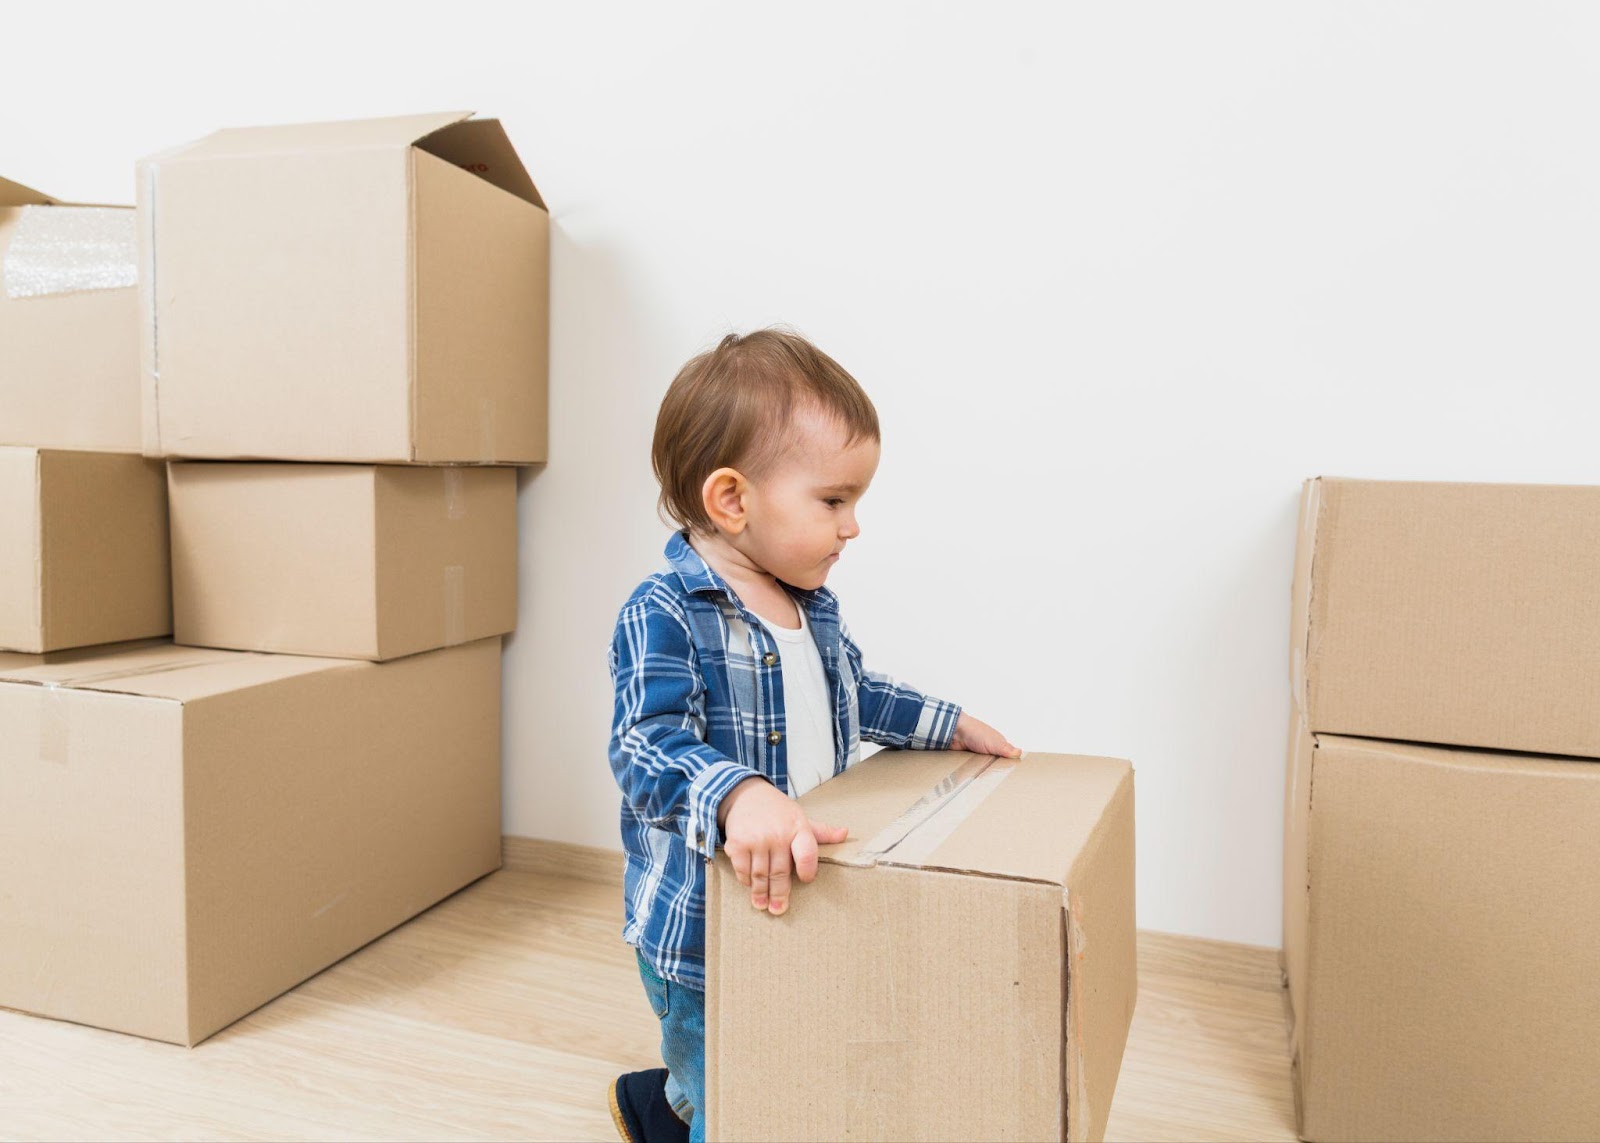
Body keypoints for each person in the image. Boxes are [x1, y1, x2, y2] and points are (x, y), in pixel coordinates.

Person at [605, 329, 1021, 1143]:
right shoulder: (664, 611)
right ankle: (682, 1105)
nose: (853, 526)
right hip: (702, 937)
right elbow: (643, 744)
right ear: (732, 500)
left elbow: (858, 693)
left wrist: (948, 723)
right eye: (834, 501)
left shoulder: (812, 607)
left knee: (792, 1053)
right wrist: (737, 791)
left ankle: (664, 1099)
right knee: (736, 1087)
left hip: (793, 904)